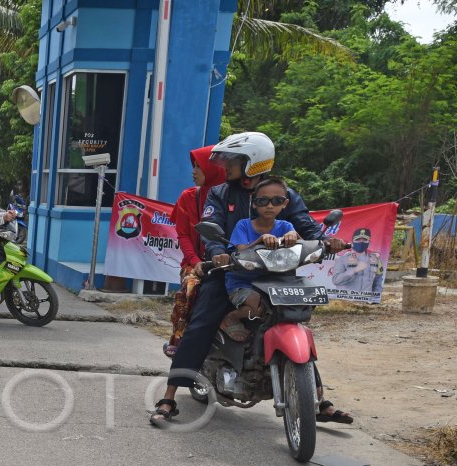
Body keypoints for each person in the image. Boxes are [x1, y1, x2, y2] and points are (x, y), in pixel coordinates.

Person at [149, 131, 353, 425]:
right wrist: (217, 252)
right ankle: (169, 397)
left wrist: (326, 241)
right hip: (231, 273)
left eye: (232, 160)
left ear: (252, 162)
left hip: (276, 273)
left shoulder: (284, 194)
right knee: (202, 319)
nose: (225, 166)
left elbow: (308, 227)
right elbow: (211, 226)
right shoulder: (221, 193)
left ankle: (317, 400)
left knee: (291, 320)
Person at [218, 176, 299, 339]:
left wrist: (294, 235)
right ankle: (231, 318)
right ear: (254, 204)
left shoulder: (286, 226)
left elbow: (300, 243)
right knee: (257, 306)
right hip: (241, 282)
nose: (270, 206)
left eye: (277, 200)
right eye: (263, 201)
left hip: (273, 281)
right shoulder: (243, 225)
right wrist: (260, 240)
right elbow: (240, 251)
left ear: (285, 204)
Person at [168, 146, 227, 358]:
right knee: (189, 288)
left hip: (227, 261)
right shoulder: (188, 197)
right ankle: (178, 340)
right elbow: (183, 235)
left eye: (198, 167)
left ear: (213, 169)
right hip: (195, 262)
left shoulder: (230, 197)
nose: (193, 172)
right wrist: (194, 262)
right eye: (193, 167)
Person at [332, 227, 384, 295]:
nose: (361, 242)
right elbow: (336, 281)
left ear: (369, 242)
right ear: (352, 242)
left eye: (365, 239)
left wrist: (375, 299)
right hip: (345, 301)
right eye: (358, 239)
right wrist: (354, 270)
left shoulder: (375, 260)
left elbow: (378, 282)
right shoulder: (342, 259)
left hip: (365, 302)